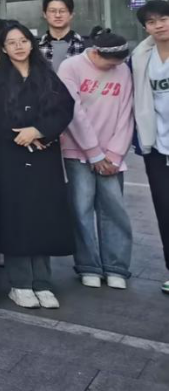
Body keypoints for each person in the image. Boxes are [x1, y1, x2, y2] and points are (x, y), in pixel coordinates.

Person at [0, 22, 75, 310]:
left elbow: (65, 108)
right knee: (16, 219)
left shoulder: (45, 73)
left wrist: (39, 131)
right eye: (11, 42)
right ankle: (20, 283)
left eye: (23, 40)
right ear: (3, 48)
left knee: (42, 217)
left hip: (42, 155)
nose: (19, 46)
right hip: (8, 157)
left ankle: (43, 283)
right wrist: (19, 134)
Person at [58, 31, 135, 290]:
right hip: (77, 151)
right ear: (95, 52)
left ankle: (116, 266)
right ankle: (88, 265)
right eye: (110, 62)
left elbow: (126, 113)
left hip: (112, 155)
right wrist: (93, 152)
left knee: (114, 210)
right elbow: (73, 112)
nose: (114, 67)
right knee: (80, 209)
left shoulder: (122, 69)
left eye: (118, 62)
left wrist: (114, 153)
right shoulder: (71, 67)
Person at [131, 0, 169, 296]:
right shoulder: (141, 56)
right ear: (145, 27)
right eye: (152, 21)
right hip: (157, 146)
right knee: (165, 210)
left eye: (164, 18)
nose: (160, 25)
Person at [39, 0, 86, 73]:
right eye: (52, 11)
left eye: (62, 11)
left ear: (71, 14)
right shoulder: (35, 48)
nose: (58, 15)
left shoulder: (85, 46)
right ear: (44, 14)